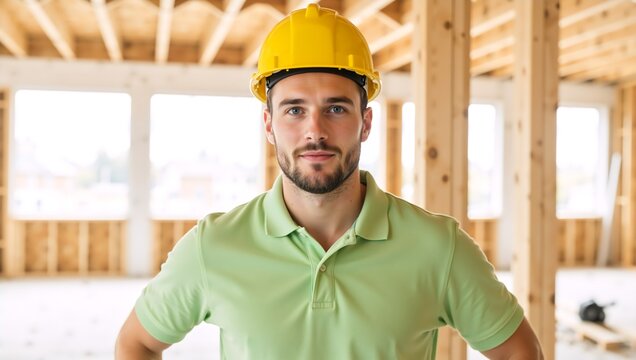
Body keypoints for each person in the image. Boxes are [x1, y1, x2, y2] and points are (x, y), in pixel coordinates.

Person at [115, 3, 543, 359]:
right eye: (294, 109)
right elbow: (136, 343)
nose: (314, 130)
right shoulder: (213, 247)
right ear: (269, 124)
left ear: (366, 122)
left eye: (336, 109)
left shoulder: (438, 246)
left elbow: (520, 352)